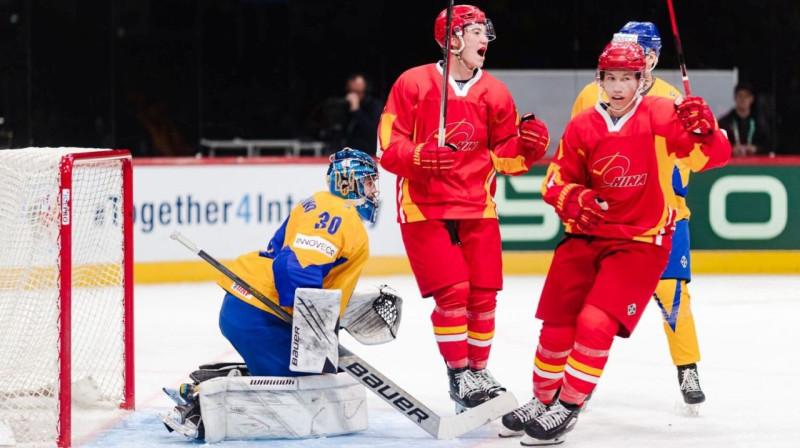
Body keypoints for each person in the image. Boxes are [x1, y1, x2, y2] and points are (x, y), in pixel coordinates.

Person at [501, 41, 730, 445]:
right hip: (586, 235)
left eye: (627, 77)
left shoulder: (661, 113)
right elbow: (556, 181)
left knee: (595, 322)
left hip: (641, 241)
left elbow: (710, 158)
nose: (619, 86)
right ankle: (543, 399)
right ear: (600, 80)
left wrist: (708, 132)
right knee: (555, 327)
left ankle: (568, 407)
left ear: (642, 79)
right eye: (612, 78)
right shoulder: (583, 124)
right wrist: (574, 199)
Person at [376, 5, 550, 412]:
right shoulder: (413, 83)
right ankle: (459, 375)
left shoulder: (496, 92)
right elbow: (387, 146)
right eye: (474, 32)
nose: (483, 39)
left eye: (484, 32)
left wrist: (527, 146)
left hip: (478, 206)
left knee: (484, 294)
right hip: (424, 205)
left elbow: (507, 160)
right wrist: (419, 156)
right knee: (454, 292)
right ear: (452, 38)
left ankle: (478, 371)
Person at [158, 148, 391, 441]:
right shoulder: (338, 213)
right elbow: (295, 266)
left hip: (251, 307)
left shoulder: (321, 202)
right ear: (351, 181)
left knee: (310, 382)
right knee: (304, 393)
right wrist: (313, 329)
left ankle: (206, 385)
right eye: (369, 182)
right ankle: (200, 402)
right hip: (260, 313)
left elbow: (310, 267)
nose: (373, 191)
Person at [569, 21, 709, 411]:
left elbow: (697, 159)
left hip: (664, 217)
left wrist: (701, 131)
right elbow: (576, 147)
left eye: (642, 52)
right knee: (595, 303)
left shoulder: (669, 98)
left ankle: (687, 367)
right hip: (609, 220)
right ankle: (582, 373)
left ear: (653, 56)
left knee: (673, 296)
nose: (635, 59)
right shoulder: (590, 94)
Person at [308, 74, 384, 155]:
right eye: (351, 91)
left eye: (358, 92)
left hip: (366, 154)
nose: (353, 95)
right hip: (341, 151)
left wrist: (357, 111)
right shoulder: (341, 104)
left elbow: (373, 132)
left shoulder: (374, 106)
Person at [718, 82, 773, 156]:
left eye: (746, 96)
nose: (742, 99)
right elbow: (716, 146)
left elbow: (769, 145)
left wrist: (756, 149)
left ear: (752, 99)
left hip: (755, 165)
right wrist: (731, 150)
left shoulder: (760, 122)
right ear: (735, 98)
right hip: (730, 165)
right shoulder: (725, 122)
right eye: (740, 96)